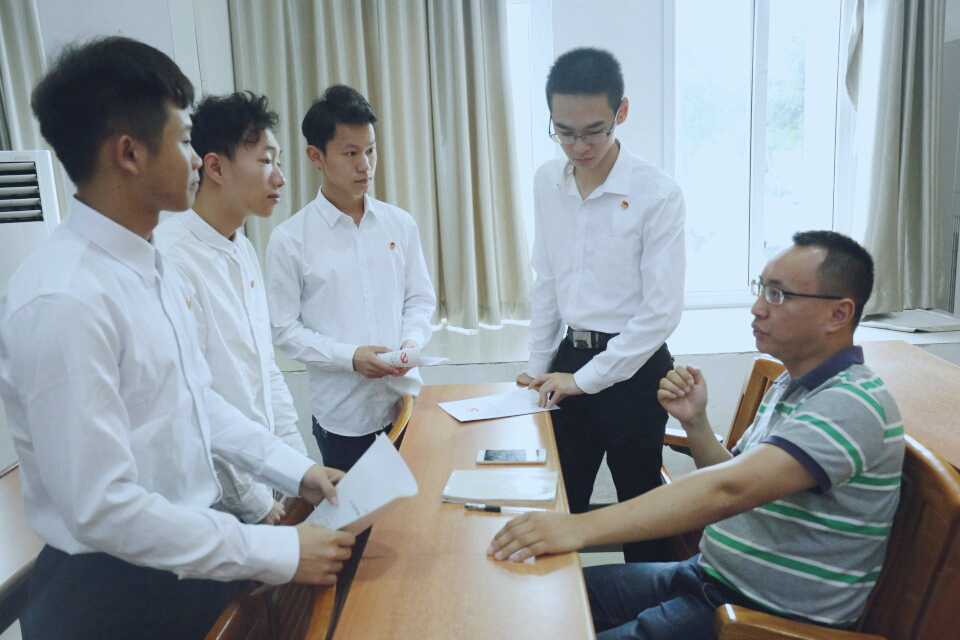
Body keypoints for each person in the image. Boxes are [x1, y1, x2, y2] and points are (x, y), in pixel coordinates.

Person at [0, 37, 354, 640]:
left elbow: (197, 404)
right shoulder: (64, 298)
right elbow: (103, 508)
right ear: (130, 153)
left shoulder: (148, 265)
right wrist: (273, 549)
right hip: (112, 593)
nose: (196, 160)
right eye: (185, 140)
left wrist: (298, 472)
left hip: (186, 556)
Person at [489, 231, 905, 639]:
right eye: (762, 289)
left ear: (838, 314)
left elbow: (728, 490)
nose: (758, 308)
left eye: (778, 295)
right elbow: (735, 475)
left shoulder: (851, 404)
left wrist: (577, 528)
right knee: (534, 599)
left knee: (544, 610)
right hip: (707, 577)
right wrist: (696, 423)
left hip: (757, 619)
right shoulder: (792, 384)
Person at [516, 47, 685, 562]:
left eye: (594, 131)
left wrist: (586, 380)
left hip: (636, 369)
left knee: (642, 513)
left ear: (621, 112)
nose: (579, 146)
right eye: (564, 132)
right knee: (556, 506)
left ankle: (648, 606)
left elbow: (660, 313)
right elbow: (548, 281)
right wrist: (537, 369)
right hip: (569, 357)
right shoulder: (548, 181)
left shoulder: (658, 194)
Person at [154, 91, 307, 526]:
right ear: (216, 167)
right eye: (265, 161)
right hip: (216, 506)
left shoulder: (242, 248)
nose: (280, 178)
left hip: (265, 482)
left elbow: (264, 370)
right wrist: (257, 506)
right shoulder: (172, 260)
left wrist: (300, 473)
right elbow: (193, 405)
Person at [266, 84, 436, 472]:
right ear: (316, 156)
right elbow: (283, 330)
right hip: (344, 421)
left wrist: (411, 343)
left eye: (370, 151)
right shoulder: (290, 240)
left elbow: (420, 299)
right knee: (358, 513)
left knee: (417, 508)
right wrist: (352, 358)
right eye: (350, 153)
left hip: (406, 402)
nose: (365, 165)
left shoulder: (399, 224)